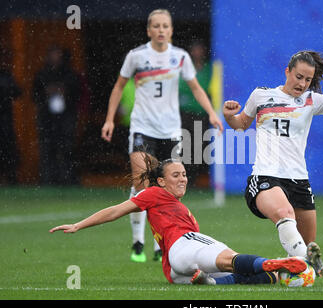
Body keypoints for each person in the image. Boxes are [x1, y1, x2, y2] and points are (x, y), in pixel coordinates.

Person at [222, 51, 323, 277]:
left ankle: (297, 265)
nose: (302, 83)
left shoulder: (311, 101)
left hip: (299, 180)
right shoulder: (261, 95)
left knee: (307, 244)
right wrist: (229, 116)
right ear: (287, 71)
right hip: (266, 176)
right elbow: (240, 125)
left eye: (308, 80)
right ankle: (301, 262)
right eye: (299, 77)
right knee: (284, 212)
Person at [49, 158, 307, 285]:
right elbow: (116, 210)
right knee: (231, 259)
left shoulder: (179, 208)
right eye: (176, 175)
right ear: (161, 181)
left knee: (231, 276)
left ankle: (272, 275)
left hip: (174, 270)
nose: (183, 179)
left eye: (184, 174)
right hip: (183, 246)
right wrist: (79, 225)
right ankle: (275, 262)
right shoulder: (154, 194)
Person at [100, 9, 223, 263]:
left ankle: (160, 242)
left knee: (166, 190)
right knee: (142, 184)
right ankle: (137, 242)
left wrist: (211, 112)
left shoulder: (180, 57)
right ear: (148, 30)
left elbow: (196, 88)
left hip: (169, 130)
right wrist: (110, 119)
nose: (160, 30)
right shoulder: (136, 56)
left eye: (165, 26)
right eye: (155, 26)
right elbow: (119, 86)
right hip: (142, 128)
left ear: (171, 30)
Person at [32, 46, 81, 185]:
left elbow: (77, 93)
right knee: (47, 149)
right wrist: (46, 92)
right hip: (46, 118)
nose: (55, 58)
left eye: (58, 55)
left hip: (66, 117)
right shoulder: (42, 74)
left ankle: (69, 179)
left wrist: (64, 90)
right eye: (53, 54)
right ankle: (48, 180)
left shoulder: (70, 74)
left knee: (67, 148)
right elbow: (34, 94)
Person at [179, 40, 212, 187]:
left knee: (200, 145)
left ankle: (194, 178)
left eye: (200, 50)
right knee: (185, 145)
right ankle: (184, 177)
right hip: (187, 113)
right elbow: (183, 88)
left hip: (201, 113)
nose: (197, 53)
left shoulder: (208, 69)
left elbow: (208, 87)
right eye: (195, 50)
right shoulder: (186, 69)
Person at [0, 47, 22, 185]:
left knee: (8, 148)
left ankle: (11, 177)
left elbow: (18, 92)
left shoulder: (7, 76)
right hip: (5, 119)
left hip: (5, 119)